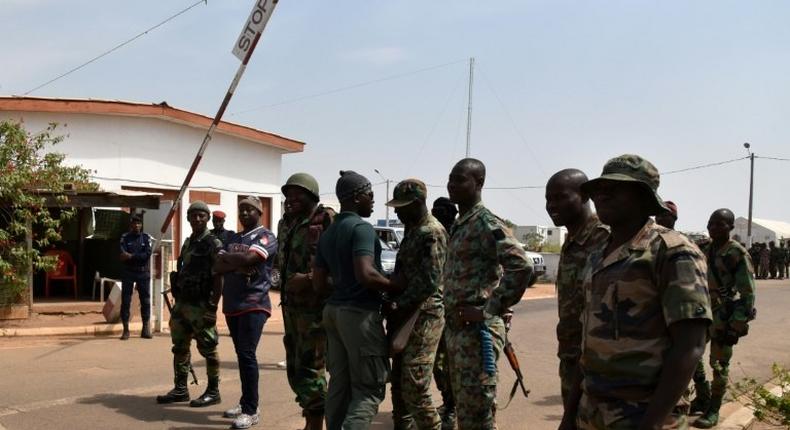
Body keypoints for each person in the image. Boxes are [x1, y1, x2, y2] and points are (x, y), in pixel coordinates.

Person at [561, 154, 712, 430]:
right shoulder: (597, 255)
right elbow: (588, 348)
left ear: (643, 197)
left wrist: (652, 425)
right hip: (592, 413)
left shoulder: (673, 252)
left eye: (615, 189)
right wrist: (569, 416)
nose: (603, 196)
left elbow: (690, 346)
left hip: (645, 414)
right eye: (599, 189)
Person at [443, 158, 533, 430]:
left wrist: (489, 308)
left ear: (479, 183)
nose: (452, 185)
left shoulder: (485, 222)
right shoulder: (461, 223)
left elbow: (521, 265)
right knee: (469, 410)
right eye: (450, 178)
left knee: (476, 413)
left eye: (460, 179)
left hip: (477, 330)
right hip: (458, 330)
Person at [313, 170, 398, 430]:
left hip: (334, 312)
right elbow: (366, 273)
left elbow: (318, 284)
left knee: (340, 383)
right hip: (358, 315)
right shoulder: (361, 228)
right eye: (370, 194)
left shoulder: (328, 232)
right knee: (369, 389)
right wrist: (397, 285)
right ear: (356, 196)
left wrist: (342, 285)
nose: (373, 199)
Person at [544, 169, 609, 413]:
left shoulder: (604, 238)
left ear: (584, 197)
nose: (551, 205)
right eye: (548, 199)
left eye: (560, 197)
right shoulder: (572, 241)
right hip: (571, 357)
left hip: (600, 363)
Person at [386, 179, 448, 430]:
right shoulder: (413, 229)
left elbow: (430, 282)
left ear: (418, 203)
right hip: (406, 312)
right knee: (399, 384)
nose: (397, 211)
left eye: (402, 206)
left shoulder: (431, 231)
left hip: (424, 313)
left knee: (415, 383)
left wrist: (398, 303)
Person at [276, 173, 335, 430]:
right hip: (291, 310)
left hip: (316, 311)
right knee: (295, 369)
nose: (290, 200)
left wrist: (309, 278)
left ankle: (315, 423)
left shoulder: (327, 221)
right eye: (287, 195)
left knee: (312, 370)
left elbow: (342, 267)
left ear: (312, 195)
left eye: (296, 194)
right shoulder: (286, 224)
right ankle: (310, 415)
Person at [214, 196, 278, 429]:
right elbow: (217, 265)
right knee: (242, 355)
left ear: (259, 212)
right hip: (232, 305)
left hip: (254, 304)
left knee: (248, 355)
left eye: (249, 210)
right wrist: (239, 264)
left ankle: (252, 410)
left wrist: (235, 261)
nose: (244, 214)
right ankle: (244, 402)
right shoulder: (233, 237)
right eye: (241, 210)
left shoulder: (265, 236)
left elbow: (252, 257)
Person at [691, 209, 757, 428]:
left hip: (723, 315)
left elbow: (747, 293)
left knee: (718, 364)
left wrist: (737, 324)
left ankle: (714, 408)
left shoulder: (736, 253)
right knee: (691, 356)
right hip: (701, 311)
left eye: (720, 224)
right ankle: (702, 396)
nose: (713, 227)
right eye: (711, 223)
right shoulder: (705, 248)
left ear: (730, 227)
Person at [156, 201, 224, 407]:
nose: (197, 219)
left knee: (208, 349)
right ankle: (180, 389)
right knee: (180, 347)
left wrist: (213, 307)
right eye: (193, 215)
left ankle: (213, 391)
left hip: (202, 305)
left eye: (201, 215)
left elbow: (219, 277)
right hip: (183, 304)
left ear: (208, 218)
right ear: (188, 218)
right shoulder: (187, 242)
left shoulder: (213, 243)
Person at [429, 196, 458, 429]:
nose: (439, 214)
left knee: (456, 365)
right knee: (439, 365)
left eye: (444, 211)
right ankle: (450, 403)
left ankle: (456, 407)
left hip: (460, 312)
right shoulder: (434, 236)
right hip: (439, 310)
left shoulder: (460, 235)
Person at [119, 213, 153, 340]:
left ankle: (145, 329)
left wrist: (132, 256)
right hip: (129, 272)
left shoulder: (146, 238)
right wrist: (135, 256)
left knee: (145, 301)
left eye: (139, 223)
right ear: (131, 224)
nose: (136, 225)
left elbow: (147, 255)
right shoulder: (125, 238)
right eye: (134, 223)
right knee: (126, 301)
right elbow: (122, 254)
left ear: (141, 224)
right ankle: (126, 330)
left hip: (143, 273)